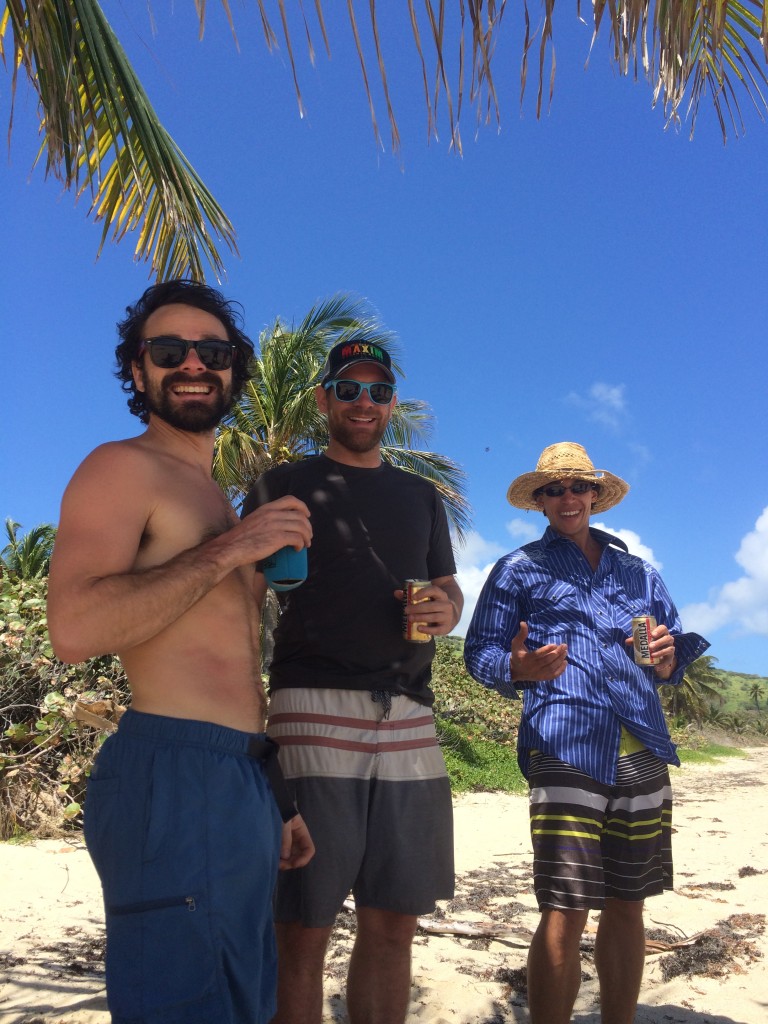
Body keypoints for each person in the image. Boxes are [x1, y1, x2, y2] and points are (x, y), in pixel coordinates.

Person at [46, 280, 315, 1024]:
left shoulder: (218, 498)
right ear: (138, 371)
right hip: (172, 769)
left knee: (240, 999)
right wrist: (230, 551)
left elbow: (231, 672)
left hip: (241, 775)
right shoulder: (122, 468)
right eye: (169, 351)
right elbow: (74, 630)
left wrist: (277, 802)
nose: (194, 364)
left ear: (234, 370)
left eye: (214, 351)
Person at [242, 338, 464, 1024]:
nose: (363, 403)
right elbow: (242, 598)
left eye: (377, 391)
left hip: (410, 717)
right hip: (311, 708)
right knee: (302, 930)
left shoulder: (422, 496)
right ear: (322, 399)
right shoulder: (281, 484)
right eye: (348, 389)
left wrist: (444, 610)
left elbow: (449, 591)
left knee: (395, 922)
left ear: (393, 404)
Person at [463, 441, 709, 1024]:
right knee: (566, 905)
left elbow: (670, 654)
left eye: (578, 487)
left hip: (642, 748)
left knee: (629, 903)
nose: (568, 498)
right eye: (555, 490)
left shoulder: (638, 572)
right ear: (540, 503)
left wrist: (670, 659)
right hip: (564, 744)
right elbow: (479, 653)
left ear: (595, 496)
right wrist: (516, 668)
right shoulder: (517, 569)